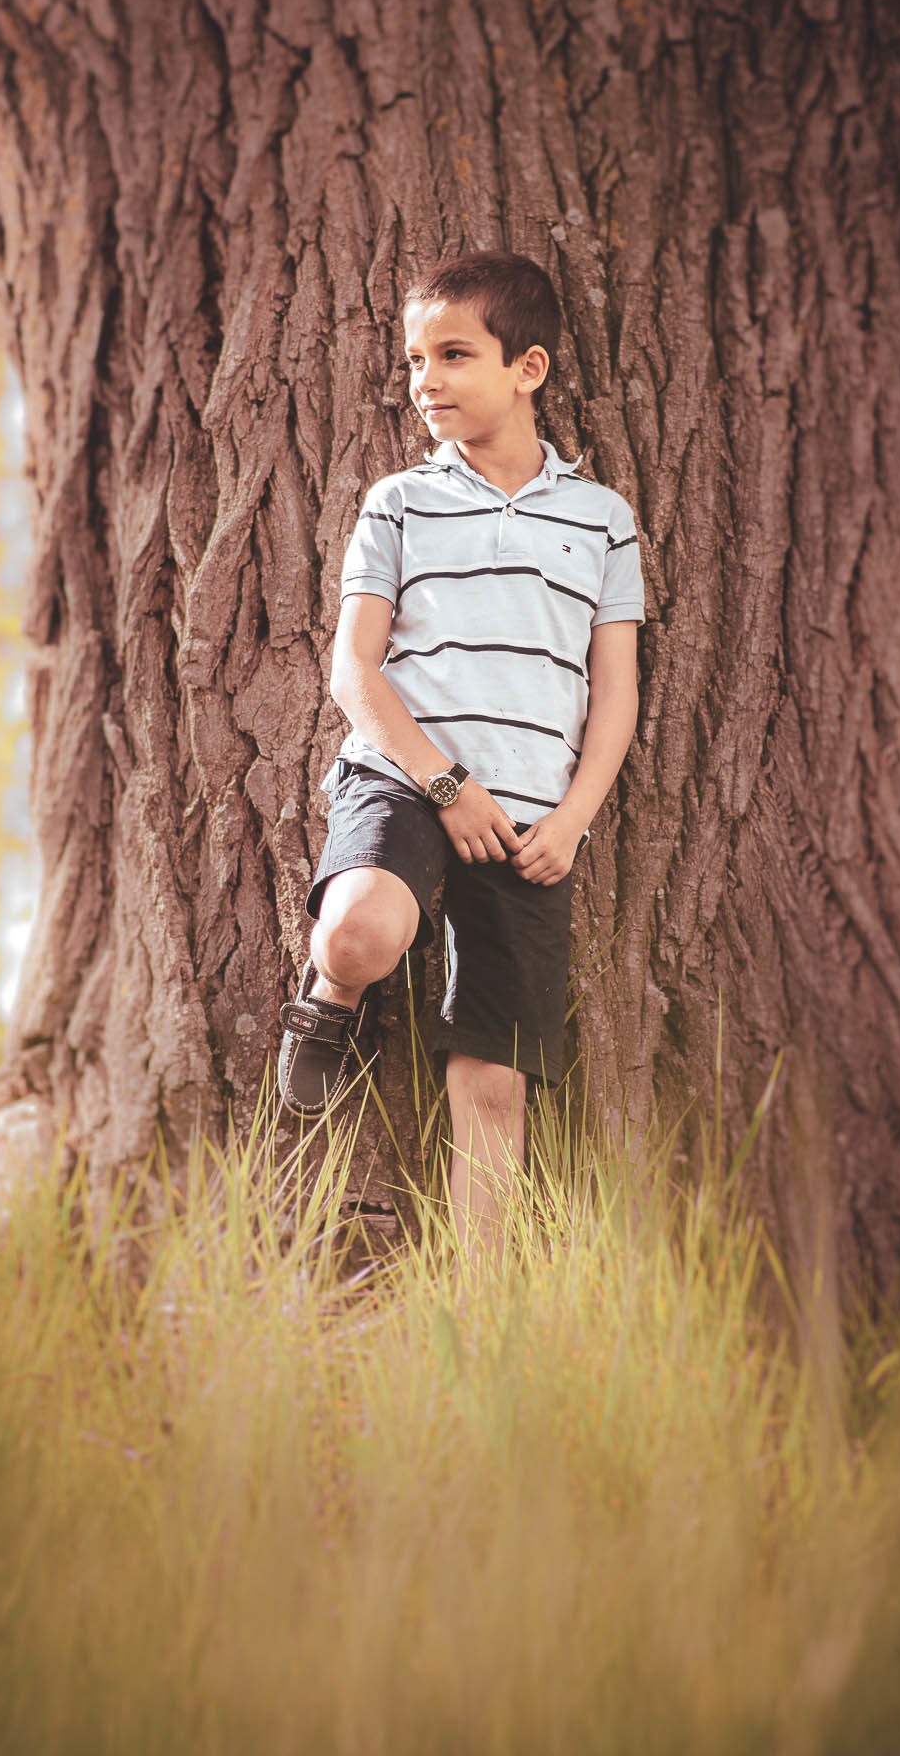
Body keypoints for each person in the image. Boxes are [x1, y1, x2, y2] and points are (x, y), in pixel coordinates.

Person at [277, 250, 645, 1256]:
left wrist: (571, 820)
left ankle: (482, 1318)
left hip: (532, 817)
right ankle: (329, 1002)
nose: (423, 380)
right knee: (360, 931)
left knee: (494, 1081)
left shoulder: (603, 520)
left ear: (527, 367)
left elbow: (615, 692)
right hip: (404, 775)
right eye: (413, 359)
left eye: (451, 354)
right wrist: (443, 781)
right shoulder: (398, 500)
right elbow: (354, 671)